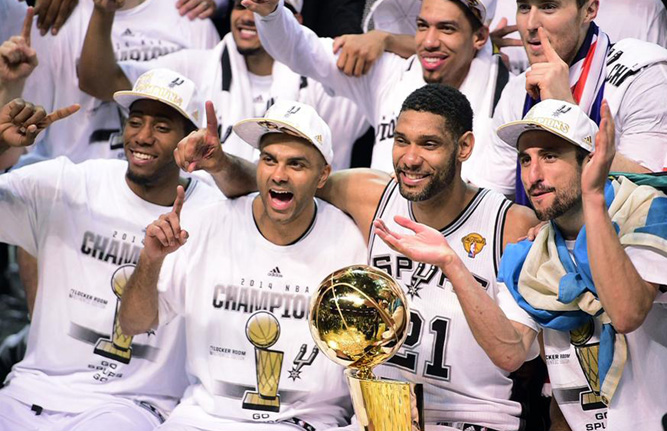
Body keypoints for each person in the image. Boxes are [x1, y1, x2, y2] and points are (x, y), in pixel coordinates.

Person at [179, 83, 540, 431]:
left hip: (471, 417)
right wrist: (220, 163)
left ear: (464, 147)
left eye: (429, 144)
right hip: (381, 416)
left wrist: (453, 264)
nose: (410, 158)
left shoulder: (510, 224)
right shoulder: (371, 195)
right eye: (402, 141)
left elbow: (513, 354)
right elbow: (288, 184)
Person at [374, 99, 667, 431]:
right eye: (525, 160)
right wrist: (451, 263)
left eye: (550, 156)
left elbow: (626, 313)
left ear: (590, 161)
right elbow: (510, 353)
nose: (534, 175)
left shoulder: (646, 213)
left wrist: (594, 197)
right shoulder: (530, 253)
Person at [0, 69, 227, 431]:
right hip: (31, 391)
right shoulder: (70, 183)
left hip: (133, 406)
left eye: (162, 127)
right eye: (135, 122)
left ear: (189, 141)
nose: (143, 136)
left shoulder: (215, 214)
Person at [118, 100, 367, 430]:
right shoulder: (208, 223)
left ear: (323, 175)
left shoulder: (349, 242)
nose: (279, 175)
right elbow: (133, 323)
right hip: (203, 419)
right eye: (269, 160)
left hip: (301, 421)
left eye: (296, 164)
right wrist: (151, 259)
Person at [78, 0, 369, 171]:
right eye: (240, 5)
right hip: (210, 230)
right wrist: (103, 12)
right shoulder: (197, 67)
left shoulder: (328, 85)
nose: (247, 16)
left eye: (264, 7)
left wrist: (384, 40)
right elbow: (100, 82)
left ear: (295, 21)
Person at [241, 0, 509, 185]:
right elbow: (302, 50)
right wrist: (271, 13)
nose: (428, 42)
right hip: (379, 241)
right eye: (422, 26)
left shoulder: (506, 96)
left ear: (479, 37)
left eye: (446, 28)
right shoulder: (388, 72)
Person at [474, 0, 667, 203]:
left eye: (548, 7)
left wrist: (566, 112)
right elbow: (491, 198)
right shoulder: (517, 89)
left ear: (589, 10)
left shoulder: (643, 72)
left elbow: (651, 192)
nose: (530, 24)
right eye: (524, 7)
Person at [8, 0, 219, 166]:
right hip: (75, 191)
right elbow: (18, 145)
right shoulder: (54, 19)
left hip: (168, 190)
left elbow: (208, 123)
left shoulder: (193, 16)